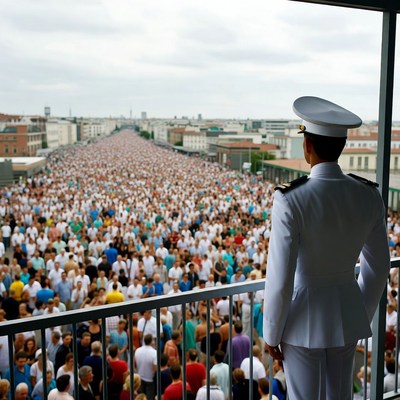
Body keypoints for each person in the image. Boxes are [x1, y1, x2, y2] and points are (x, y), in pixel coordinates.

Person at [263, 96, 391, 400]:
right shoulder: (368, 194)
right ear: (341, 147)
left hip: (301, 321)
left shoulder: (290, 198)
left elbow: (281, 278)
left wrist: (271, 333)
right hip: (346, 315)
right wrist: (357, 308)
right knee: (340, 395)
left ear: (307, 146)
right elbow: (378, 267)